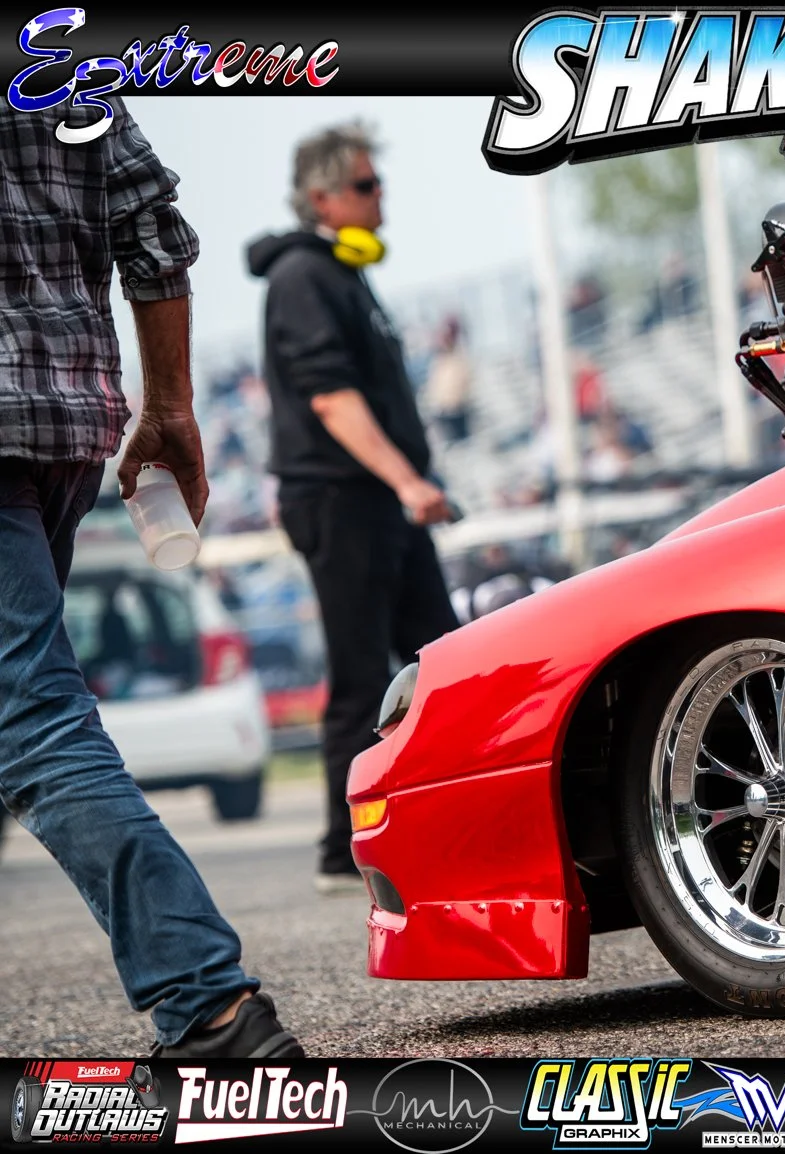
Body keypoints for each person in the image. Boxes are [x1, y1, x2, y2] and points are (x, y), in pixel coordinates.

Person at [0, 99, 301, 1057]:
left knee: (31, 722)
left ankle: (211, 1008)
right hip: (62, 427)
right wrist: (169, 403)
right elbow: (151, 225)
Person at [246, 122, 460, 895]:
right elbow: (331, 400)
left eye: (378, 183)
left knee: (442, 660)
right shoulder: (302, 276)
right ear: (322, 197)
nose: (380, 197)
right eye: (366, 186)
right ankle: (343, 851)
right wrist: (408, 483)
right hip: (343, 499)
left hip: (381, 499)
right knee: (361, 672)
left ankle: (448, 820)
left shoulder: (343, 271)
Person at [424, 315, 473, 444]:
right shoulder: (438, 359)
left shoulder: (460, 357)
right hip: (441, 412)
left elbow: (461, 385)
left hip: (457, 412)